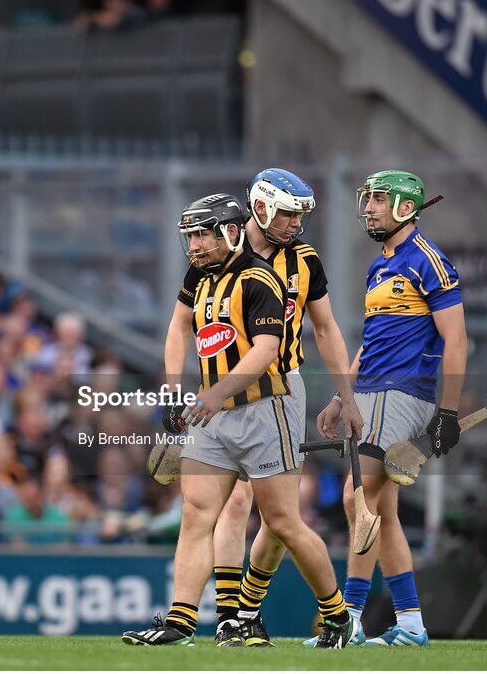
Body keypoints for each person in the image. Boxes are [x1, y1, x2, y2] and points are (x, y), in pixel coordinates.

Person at [122, 194, 357, 648]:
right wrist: (173, 388)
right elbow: (178, 327)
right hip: (216, 418)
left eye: (201, 235)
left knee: (283, 522)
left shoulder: (259, 279)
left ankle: (337, 614)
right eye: (189, 235)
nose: (193, 245)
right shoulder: (199, 275)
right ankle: (181, 622)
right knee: (195, 515)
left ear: (230, 233)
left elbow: (267, 351)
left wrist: (213, 393)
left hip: (265, 412)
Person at [317, 170, 468, 647]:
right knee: (382, 511)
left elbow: (458, 339)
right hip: (372, 393)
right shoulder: (379, 265)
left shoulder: (429, 261)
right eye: (368, 199)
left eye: (379, 199)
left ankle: (352, 618)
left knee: (355, 499)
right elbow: (373, 340)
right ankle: (410, 625)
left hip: (400, 394)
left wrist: (447, 412)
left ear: (406, 206)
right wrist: (343, 395)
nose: (369, 207)